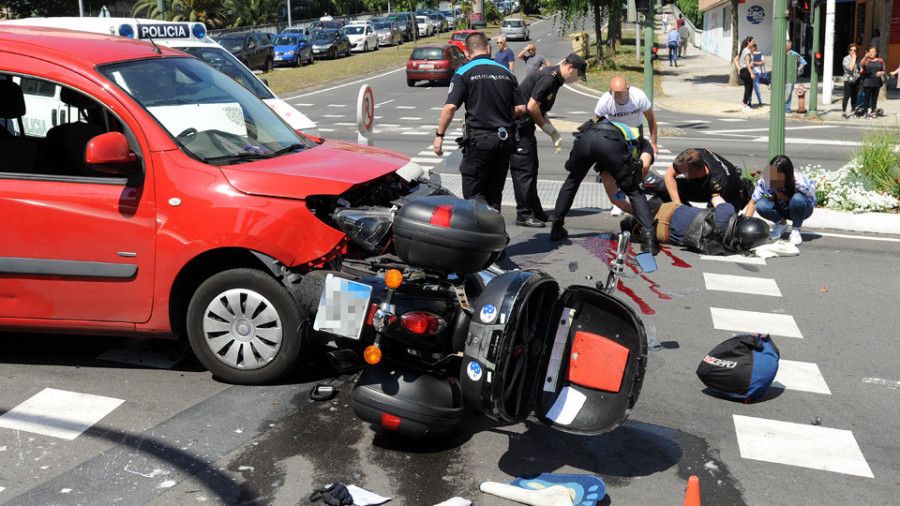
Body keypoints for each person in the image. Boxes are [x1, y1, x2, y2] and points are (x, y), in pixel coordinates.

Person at [551, 77, 660, 255]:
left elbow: (597, 126)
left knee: (572, 181)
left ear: (629, 89)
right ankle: (649, 240)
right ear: (609, 93)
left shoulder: (637, 98)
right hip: (609, 143)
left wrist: (654, 143)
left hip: (586, 140)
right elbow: (599, 123)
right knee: (633, 189)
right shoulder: (609, 107)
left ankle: (556, 227)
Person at [433, 32, 526, 211]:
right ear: (489, 48)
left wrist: (439, 135)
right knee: (494, 192)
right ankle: (496, 234)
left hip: (480, 141)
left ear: (467, 54)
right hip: (504, 141)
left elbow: (450, 107)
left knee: (473, 192)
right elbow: (521, 108)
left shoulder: (463, 72)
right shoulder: (506, 71)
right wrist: (500, 114)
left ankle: (484, 230)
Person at [510, 53, 586, 227]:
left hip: (526, 128)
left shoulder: (556, 79)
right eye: (577, 76)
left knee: (531, 169)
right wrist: (547, 129)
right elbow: (532, 106)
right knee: (524, 172)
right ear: (570, 68)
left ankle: (536, 211)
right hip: (519, 128)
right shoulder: (549, 78)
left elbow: (541, 108)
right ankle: (524, 214)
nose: (576, 80)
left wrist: (553, 132)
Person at [620, 199, 770, 256]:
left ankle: (629, 220)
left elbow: (716, 197)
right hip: (663, 233)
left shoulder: (727, 211)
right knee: (636, 223)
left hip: (669, 211)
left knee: (646, 205)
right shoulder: (722, 248)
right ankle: (631, 223)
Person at [744, 155, 816, 246]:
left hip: (800, 209)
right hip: (781, 208)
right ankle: (781, 224)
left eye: (778, 177)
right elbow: (753, 202)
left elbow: (811, 202)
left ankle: (796, 230)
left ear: (787, 174)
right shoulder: (765, 180)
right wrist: (745, 225)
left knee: (797, 199)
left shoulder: (800, 182)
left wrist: (786, 198)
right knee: (761, 205)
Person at [658, 148, 749, 211]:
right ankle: (686, 211)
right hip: (701, 186)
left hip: (728, 197)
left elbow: (707, 213)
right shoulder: (693, 155)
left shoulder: (720, 180)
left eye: (685, 173)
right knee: (663, 187)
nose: (682, 175)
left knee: (712, 226)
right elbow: (669, 175)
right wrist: (677, 205)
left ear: (697, 171)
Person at [858, 45, 885, 119]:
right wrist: (865, 56)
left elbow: (884, 71)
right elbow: (861, 64)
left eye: (873, 51)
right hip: (867, 82)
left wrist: (881, 73)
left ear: (876, 53)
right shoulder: (867, 60)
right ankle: (865, 112)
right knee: (867, 98)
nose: (871, 53)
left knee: (874, 98)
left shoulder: (880, 60)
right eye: (870, 52)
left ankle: (873, 112)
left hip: (877, 82)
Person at [785, 41, 807, 113]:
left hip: (790, 76)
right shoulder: (781, 53)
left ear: (790, 47)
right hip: (782, 76)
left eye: (786, 45)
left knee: (788, 93)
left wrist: (797, 70)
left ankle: (786, 109)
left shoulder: (794, 54)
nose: (784, 46)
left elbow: (803, 62)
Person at [842, 43, 861, 119]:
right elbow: (850, 69)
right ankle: (844, 113)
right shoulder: (846, 59)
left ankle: (853, 112)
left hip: (856, 79)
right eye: (851, 50)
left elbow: (860, 68)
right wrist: (853, 59)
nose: (853, 52)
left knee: (854, 96)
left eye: (855, 50)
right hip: (848, 80)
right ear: (848, 51)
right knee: (847, 96)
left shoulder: (858, 59)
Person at [736, 36, 755, 112]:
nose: (753, 43)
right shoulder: (747, 51)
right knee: (748, 88)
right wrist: (751, 73)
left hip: (743, 71)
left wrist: (739, 69)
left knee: (748, 88)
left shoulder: (743, 50)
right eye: (752, 42)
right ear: (749, 42)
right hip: (747, 71)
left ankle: (743, 103)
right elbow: (747, 63)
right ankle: (744, 104)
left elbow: (736, 60)